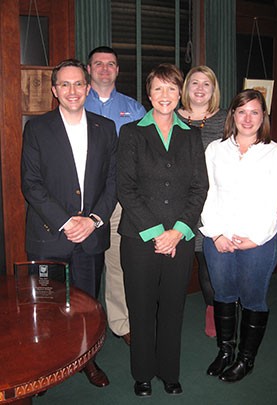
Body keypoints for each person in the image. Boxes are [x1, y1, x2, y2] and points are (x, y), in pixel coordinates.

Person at [21, 59, 118, 388]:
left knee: (87, 305)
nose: (72, 90)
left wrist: (92, 220)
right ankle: (45, 367)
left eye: (79, 84)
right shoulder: (36, 128)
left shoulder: (105, 128)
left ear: (88, 88)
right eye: (65, 84)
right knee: (47, 306)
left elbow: (113, 182)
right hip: (49, 236)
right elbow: (31, 184)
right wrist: (66, 222)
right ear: (54, 90)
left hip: (91, 236)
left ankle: (87, 360)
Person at [117, 63, 207, 397]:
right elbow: (125, 189)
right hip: (140, 239)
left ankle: (169, 371)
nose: (165, 95)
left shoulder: (191, 135)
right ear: (149, 93)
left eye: (171, 88)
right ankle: (142, 373)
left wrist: (179, 231)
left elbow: (200, 188)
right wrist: (157, 232)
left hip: (180, 240)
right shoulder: (131, 133)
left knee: (172, 307)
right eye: (158, 88)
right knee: (141, 307)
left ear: (179, 93)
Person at [200, 89, 277, 382]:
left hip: (257, 242)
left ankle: (245, 359)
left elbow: (276, 199)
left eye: (254, 111)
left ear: (263, 116)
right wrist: (215, 234)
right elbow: (207, 194)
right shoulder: (216, 149)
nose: (247, 118)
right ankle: (225, 351)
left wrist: (255, 237)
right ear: (233, 116)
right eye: (242, 111)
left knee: (253, 299)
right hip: (220, 239)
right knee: (223, 295)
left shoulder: (274, 152)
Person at [85, 46, 146, 345]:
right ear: (89, 68)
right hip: (83, 198)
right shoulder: (76, 102)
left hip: (120, 198)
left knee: (118, 262)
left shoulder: (133, 109)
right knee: (83, 265)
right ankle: (82, 327)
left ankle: (121, 324)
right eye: (99, 64)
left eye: (111, 64)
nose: (105, 69)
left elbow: (146, 153)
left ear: (118, 70)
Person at [177, 65, 227, 338]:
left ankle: (213, 309)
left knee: (209, 266)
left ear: (213, 90)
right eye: (194, 82)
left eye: (206, 84)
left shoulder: (225, 120)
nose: (199, 88)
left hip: (212, 206)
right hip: (178, 205)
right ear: (186, 88)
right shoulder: (172, 116)